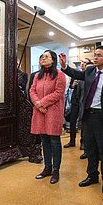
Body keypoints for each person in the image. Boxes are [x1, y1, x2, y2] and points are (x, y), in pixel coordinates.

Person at [59, 46, 103, 195]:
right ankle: (92, 175)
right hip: (88, 116)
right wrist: (64, 66)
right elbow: (75, 73)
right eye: (94, 55)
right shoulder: (89, 71)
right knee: (90, 148)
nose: (95, 58)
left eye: (99, 55)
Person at [30, 50, 66, 184]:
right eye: (42, 57)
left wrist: (42, 102)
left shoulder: (59, 75)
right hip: (40, 111)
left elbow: (59, 93)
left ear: (53, 60)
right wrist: (38, 104)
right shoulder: (37, 76)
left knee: (55, 141)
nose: (43, 58)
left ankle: (56, 170)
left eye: (46, 56)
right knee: (44, 140)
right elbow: (32, 90)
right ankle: (47, 168)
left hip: (53, 111)